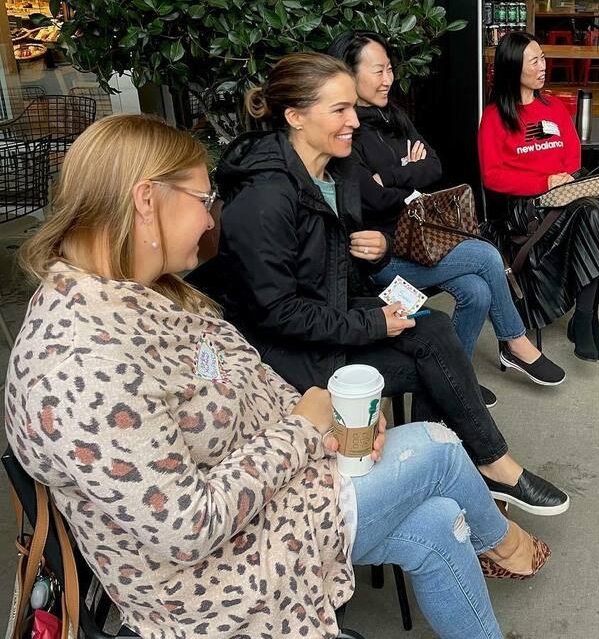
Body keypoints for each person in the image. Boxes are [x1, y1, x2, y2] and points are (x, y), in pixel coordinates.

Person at [5, 115, 550, 639]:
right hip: (214, 576)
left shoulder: (150, 292)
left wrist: (334, 422)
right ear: (146, 201)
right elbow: (187, 529)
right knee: (438, 446)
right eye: (202, 200)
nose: (210, 219)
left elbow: (246, 374)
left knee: (435, 521)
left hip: (273, 486)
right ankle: (503, 541)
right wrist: (307, 428)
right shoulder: (81, 363)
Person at [198, 52, 569, 517]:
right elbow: (277, 313)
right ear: (294, 117)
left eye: (352, 107)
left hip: (328, 320)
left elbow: (354, 247)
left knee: (435, 331)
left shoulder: (335, 171)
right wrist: (374, 321)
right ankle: (472, 473)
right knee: (440, 364)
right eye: (339, 110)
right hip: (285, 354)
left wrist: (383, 245)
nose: (354, 120)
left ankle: (473, 470)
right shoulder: (264, 198)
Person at [326, 31, 565, 387]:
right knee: (485, 256)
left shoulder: (395, 117)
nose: (388, 79)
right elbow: (370, 200)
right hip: (383, 257)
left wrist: (391, 176)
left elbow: (434, 167)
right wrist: (409, 180)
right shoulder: (345, 131)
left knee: (477, 291)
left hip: (422, 241)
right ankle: (515, 342)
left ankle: (455, 378)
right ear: (348, 74)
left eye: (390, 69)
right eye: (378, 71)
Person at [478, 31, 599, 362]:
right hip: (525, 207)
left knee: (590, 214)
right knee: (594, 214)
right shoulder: (496, 117)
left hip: (566, 196)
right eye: (535, 61)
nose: (543, 66)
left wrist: (563, 179)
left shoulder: (553, 106)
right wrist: (544, 181)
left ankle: (586, 318)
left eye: (543, 58)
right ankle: (586, 322)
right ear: (514, 68)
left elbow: (572, 157)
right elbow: (492, 175)